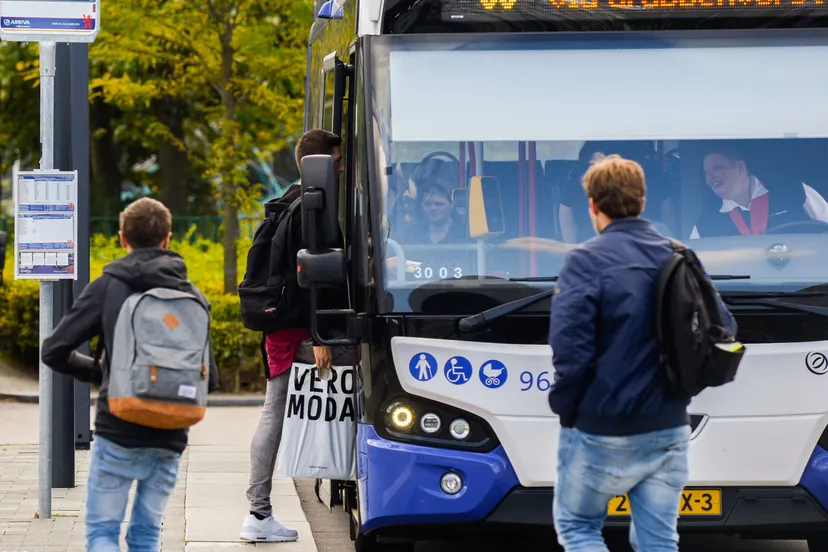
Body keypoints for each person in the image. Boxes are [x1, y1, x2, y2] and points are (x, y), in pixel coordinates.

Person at [547, 154, 737, 551]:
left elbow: (570, 348)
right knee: (658, 540)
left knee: (579, 529)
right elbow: (725, 328)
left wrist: (567, 407)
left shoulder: (584, 261)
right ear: (643, 200)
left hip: (600, 423)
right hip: (668, 425)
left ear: (593, 206)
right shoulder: (680, 255)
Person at [41, 197, 220, 552]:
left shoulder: (109, 286)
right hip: (171, 432)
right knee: (146, 536)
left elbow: (54, 349)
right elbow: (209, 378)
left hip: (118, 426)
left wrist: (104, 373)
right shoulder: (190, 294)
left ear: (123, 238)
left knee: (103, 533)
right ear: (168, 238)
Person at [241, 128, 356, 543]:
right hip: (297, 331)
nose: (343, 167)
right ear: (320, 164)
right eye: (337, 160)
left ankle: (259, 511)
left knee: (274, 411)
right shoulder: (310, 209)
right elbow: (311, 277)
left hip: (284, 326)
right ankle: (257, 512)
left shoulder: (289, 203)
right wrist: (321, 335)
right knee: (274, 411)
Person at [690, 144, 828, 239]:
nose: (710, 177)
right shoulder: (707, 220)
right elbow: (693, 266)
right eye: (706, 173)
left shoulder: (792, 190)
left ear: (740, 166)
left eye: (716, 168)